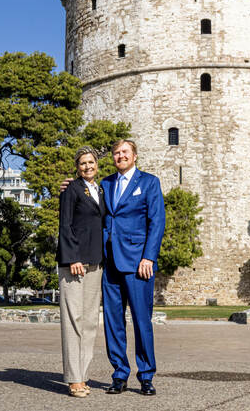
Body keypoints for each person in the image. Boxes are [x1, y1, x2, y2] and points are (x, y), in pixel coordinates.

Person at [101, 139, 165, 396]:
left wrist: (148, 257)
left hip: (139, 264)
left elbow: (157, 220)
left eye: (125, 152)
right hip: (110, 263)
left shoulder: (149, 182)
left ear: (135, 156)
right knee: (113, 322)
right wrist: (70, 186)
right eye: (116, 153)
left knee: (141, 321)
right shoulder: (106, 184)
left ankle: (146, 375)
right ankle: (119, 373)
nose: (120, 156)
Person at [57, 147, 106, 397]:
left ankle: (83, 374)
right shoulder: (71, 190)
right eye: (83, 163)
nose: (87, 166)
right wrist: (72, 257)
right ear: (76, 167)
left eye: (91, 162)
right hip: (74, 263)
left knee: (88, 323)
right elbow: (65, 225)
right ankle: (73, 378)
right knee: (72, 320)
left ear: (97, 164)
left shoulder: (100, 190)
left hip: (95, 263)